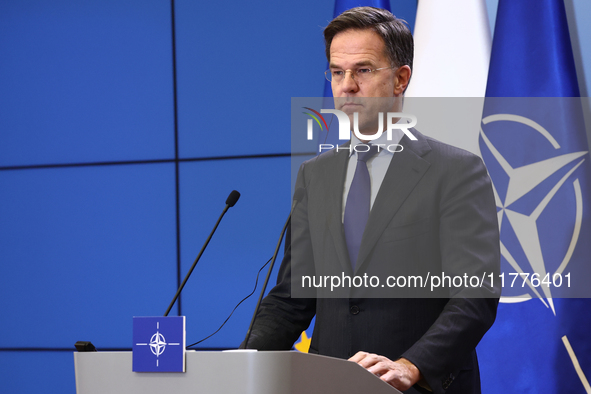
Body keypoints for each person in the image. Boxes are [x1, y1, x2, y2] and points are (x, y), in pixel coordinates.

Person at [244, 7, 500, 394]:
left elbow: (475, 293)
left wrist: (411, 365)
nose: (346, 85)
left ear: (401, 79)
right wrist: (239, 365)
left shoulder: (456, 171)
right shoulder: (315, 175)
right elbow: (293, 297)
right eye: (336, 71)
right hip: (329, 384)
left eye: (362, 70)